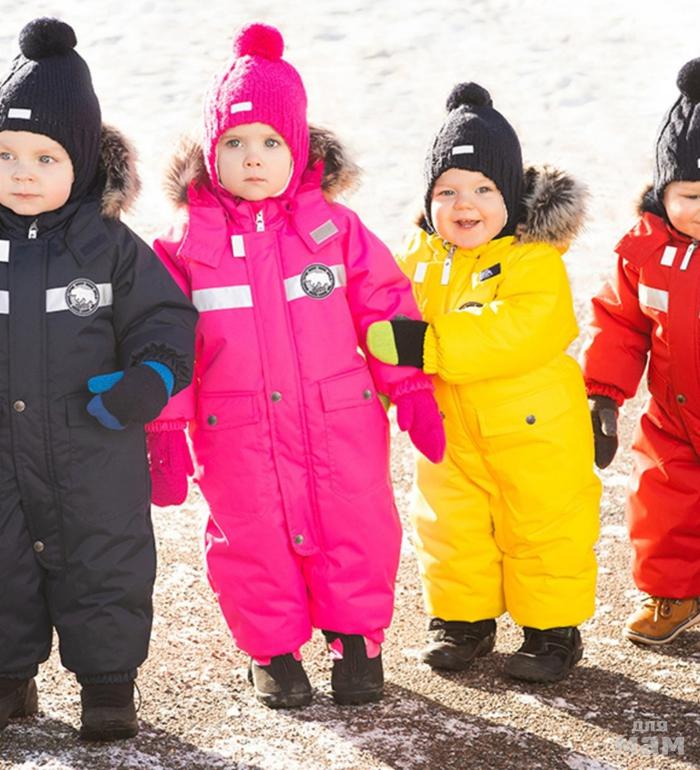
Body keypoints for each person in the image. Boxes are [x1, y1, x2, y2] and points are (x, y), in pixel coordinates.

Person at [147, 22, 445, 708]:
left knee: (357, 526)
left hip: (339, 418)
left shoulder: (335, 231)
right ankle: (273, 651)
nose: (253, 158)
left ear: (299, 149)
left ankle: (358, 642)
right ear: (210, 152)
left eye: (271, 143)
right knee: (251, 538)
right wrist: (163, 428)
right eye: (234, 143)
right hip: (236, 430)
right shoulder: (184, 246)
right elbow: (163, 341)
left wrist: (410, 388)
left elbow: (388, 308)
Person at [0, 18, 197, 741]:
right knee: (2, 564)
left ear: (81, 164)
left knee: (105, 558)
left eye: (45, 157)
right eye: (5, 154)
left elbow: (165, 319)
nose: (22, 172)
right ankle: (8, 676)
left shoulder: (109, 247)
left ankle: (109, 684)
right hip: (2, 449)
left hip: (92, 443)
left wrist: (149, 377)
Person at [367, 82, 601, 683]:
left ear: (511, 197)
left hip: (534, 432)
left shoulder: (533, 259)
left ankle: (552, 630)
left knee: (543, 526)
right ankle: (462, 621)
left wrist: (428, 346)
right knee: (451, 526)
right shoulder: (416, 257)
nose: (463, 204)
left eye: (482, 189)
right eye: (446, 191)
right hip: (447, 430)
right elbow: (382, 317)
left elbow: (522, 327)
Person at [582, 58, 700, 646]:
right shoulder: (644, 254)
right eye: (691, 194)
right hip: (673, 417)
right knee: (660, 506)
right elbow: (621, 325)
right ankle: (671, 593)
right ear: (663, 191)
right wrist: (603, 395)